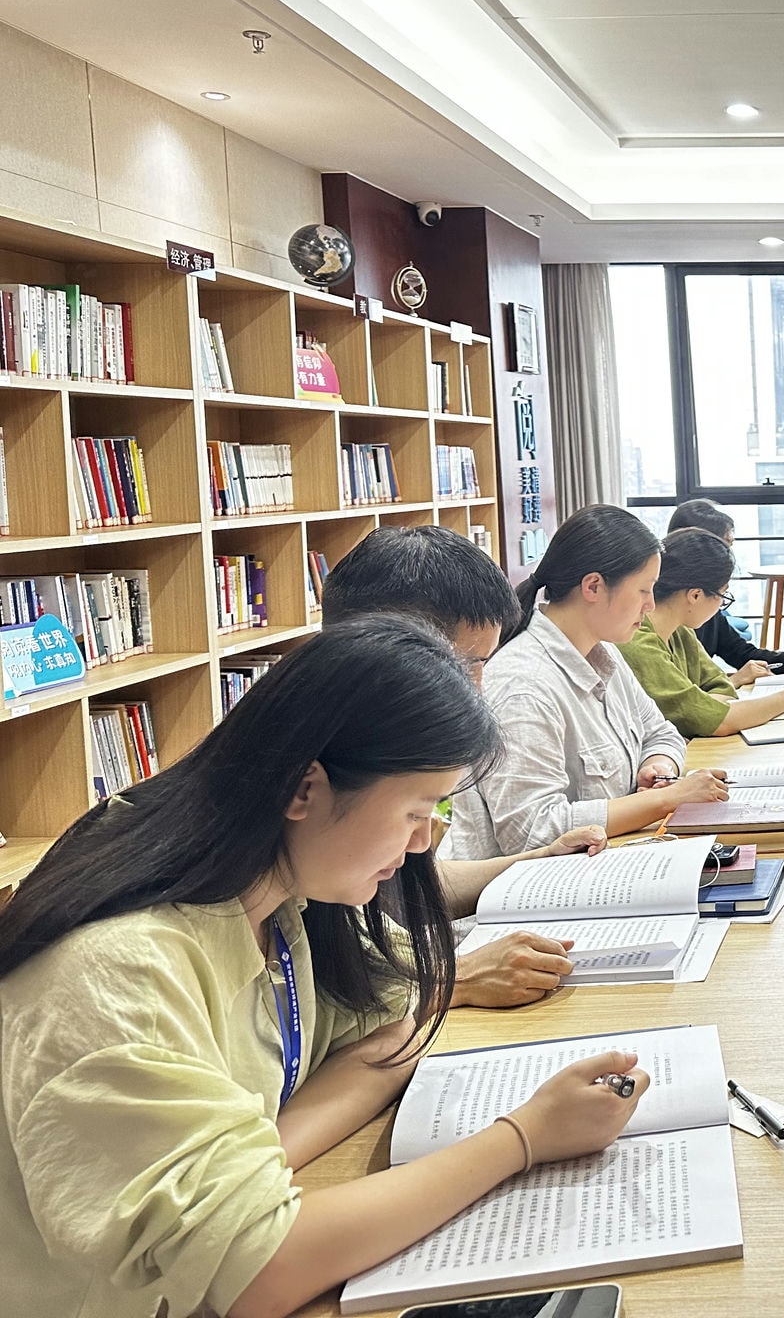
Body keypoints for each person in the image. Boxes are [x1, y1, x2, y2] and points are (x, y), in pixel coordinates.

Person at [0, 618, 647, 1318]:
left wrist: (266, 1161)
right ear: (304, 788)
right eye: (415, 811)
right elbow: (256, 1275)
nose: (423, 842)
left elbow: (388, 1031)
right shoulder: (118, 971)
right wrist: (523, 1137)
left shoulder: (278, 893)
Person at [320, 523, 606, 1009]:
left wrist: (538, 861)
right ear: (385, 650)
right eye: (468, 665)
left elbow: (406, 888)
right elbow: (320, 999)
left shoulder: (391, 749)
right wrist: (461, 980)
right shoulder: (327, 776)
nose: (477, 689)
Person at [463, 504, 729, 859]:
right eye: (644, 590)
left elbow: (661, 733)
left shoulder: (604, 654)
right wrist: (665, 799)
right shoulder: (524, 686)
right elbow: (531, 832)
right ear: (593, 586)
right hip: (540, 885)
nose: (651, 605)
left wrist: (658, 767)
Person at [619, 527, 784, 736]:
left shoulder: (679, 630)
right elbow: (718, 722)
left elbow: (721, 686)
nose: (721, 605)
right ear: (695, 595)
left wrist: (708, 710)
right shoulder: (638, 642)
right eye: (722, 595)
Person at [666, 498, 784, 680]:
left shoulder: (702, 609)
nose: (729, 555)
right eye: (724, 546)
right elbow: (685, 695)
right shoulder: (664, 626)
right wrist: (736, 681)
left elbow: (740, 653)